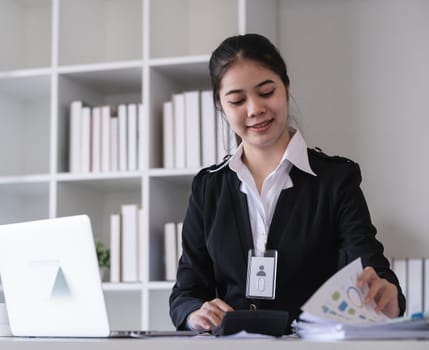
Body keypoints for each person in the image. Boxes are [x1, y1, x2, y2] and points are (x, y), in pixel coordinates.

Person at [169, 33, 405, 332]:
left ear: (286, 87)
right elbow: (185, 292)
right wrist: (194, 314)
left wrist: (387, 295)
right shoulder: (208, 188)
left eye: (266, 92)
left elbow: (370, 265)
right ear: (221, 106)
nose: (254, 109)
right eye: (238, 100)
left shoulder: (334, 180)